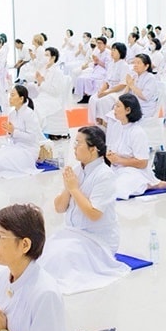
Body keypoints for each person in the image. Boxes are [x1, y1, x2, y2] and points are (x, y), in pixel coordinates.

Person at [41, 125, 131, 293]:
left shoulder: (104, 175)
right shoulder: (77, 170)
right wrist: (68, 188)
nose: (74, 147)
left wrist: (74, 189)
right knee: (47, 251)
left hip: (97, 239)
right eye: (75, 142)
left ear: (93, 149)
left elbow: (94, 214)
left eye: (79, 143)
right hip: (74, 233)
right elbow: (59, 208)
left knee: (63, 256)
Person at [0, 83, 45, 177]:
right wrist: (9, 132)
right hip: (16, 147)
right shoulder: (12, 114)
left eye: (13, 95)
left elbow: (32, 138)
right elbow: (11, 136)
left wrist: (14, 131)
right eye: (10, 95)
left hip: (29, 150)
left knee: (3, 163)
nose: (10, 98)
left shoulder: (29, 114)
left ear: (21, 99)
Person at [106, 93, 157, 197]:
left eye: (118, 106)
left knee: (117, 190)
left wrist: (119, 160)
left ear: (128, 110)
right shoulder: (117, 126)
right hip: (115, 168)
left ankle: (150, 185)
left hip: (133, 171)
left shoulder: (137, 132)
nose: (114, 109)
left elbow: (143, 163)